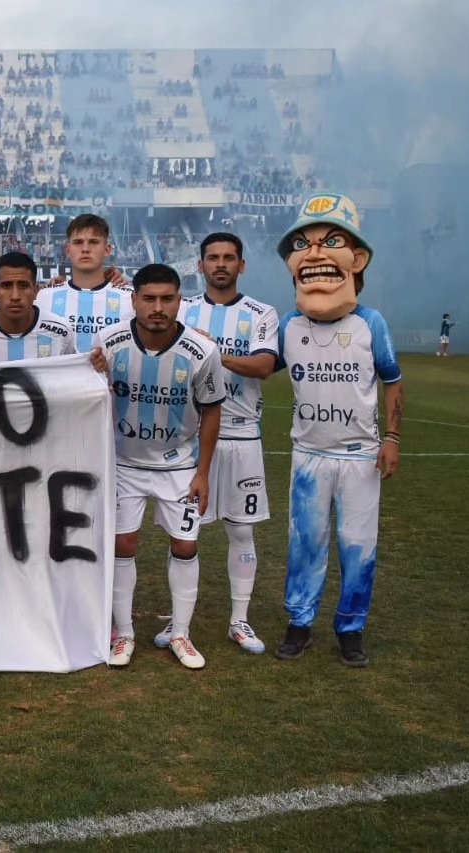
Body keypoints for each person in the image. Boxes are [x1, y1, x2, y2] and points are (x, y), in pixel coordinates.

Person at [274, 192, 403, 667]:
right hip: (309, 454)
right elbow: (260, 364)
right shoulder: (289, 324)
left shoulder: (371, 323)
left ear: (358, 258)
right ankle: (299, 623)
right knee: (305, 544)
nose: (313, 253)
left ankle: (351, 628)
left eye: (330, 241)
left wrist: (392, 439)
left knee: (358, 545)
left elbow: (393, 381)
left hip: (359, 457)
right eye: (301, 244)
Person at [91, 263, 224, 670]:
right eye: (149, 298)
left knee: (185, 545)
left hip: (179, 465)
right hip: (123, 463)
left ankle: (180, 633)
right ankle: (124, 633)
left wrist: (202, 473)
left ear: (180, 302)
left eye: (167, 299)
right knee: (123, 544)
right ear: (134, 300)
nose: (158, 307)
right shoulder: (109, 342)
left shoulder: (202, 352)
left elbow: (212, 411)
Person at [167, 233, 279, 655]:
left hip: (242, 436)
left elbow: (264, 365)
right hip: (189, 439)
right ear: (200, 265)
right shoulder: (184, 309)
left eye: (229, 258)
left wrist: (210, 351)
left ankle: (240, 620)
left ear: (241, 265)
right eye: (212, 257)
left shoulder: (261, 313)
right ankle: (178, 622)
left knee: (241, 530)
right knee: (183, 534)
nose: (220, 264)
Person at [35, 214, 134, 354]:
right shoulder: (45, 298)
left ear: (107, 250)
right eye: (78, 242)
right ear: (68, 250)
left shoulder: (129, 299)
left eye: (93, 242)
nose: (85, 249)